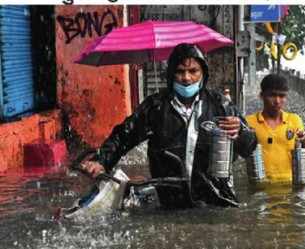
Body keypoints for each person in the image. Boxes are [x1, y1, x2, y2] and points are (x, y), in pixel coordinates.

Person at [81, 43, 257, 209]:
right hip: (171, 205)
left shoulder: (221, 105)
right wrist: (101, 161)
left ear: (203, 73)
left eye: (193, 71)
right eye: (180, 71)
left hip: (216, 203)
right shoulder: (156, 107)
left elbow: (250, 147)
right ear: (171, 73)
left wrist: (241, 132)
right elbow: (124, 136)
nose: (187, 78)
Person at [245, 74, 305, 184]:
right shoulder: (249, 123)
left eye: (282, 96)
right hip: (260, 187)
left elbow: (304, 155)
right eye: (272, 95)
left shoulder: (294, 120)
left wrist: (304, 142)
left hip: (290, 184)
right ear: (261, 95)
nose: (277, 101)